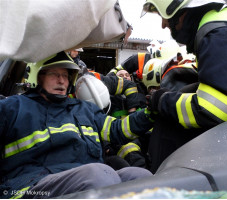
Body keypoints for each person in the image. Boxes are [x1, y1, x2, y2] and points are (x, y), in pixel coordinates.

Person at [0, 51, 155, 199]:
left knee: (141, 178)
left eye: (66, 76)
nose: (61, 81)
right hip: (31, 187)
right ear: (37, 76)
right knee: (99, 175)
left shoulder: (85, 109)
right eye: (54, 74)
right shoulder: (12, 107)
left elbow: (119, 130)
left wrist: (151, 112)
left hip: (90, 178)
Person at [141, 0, 227, 170]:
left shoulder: (218, 34)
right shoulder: (222, 24)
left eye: (164, 16)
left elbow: (215, 109)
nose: (163, 25)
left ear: (181, 11)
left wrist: (162, 100)